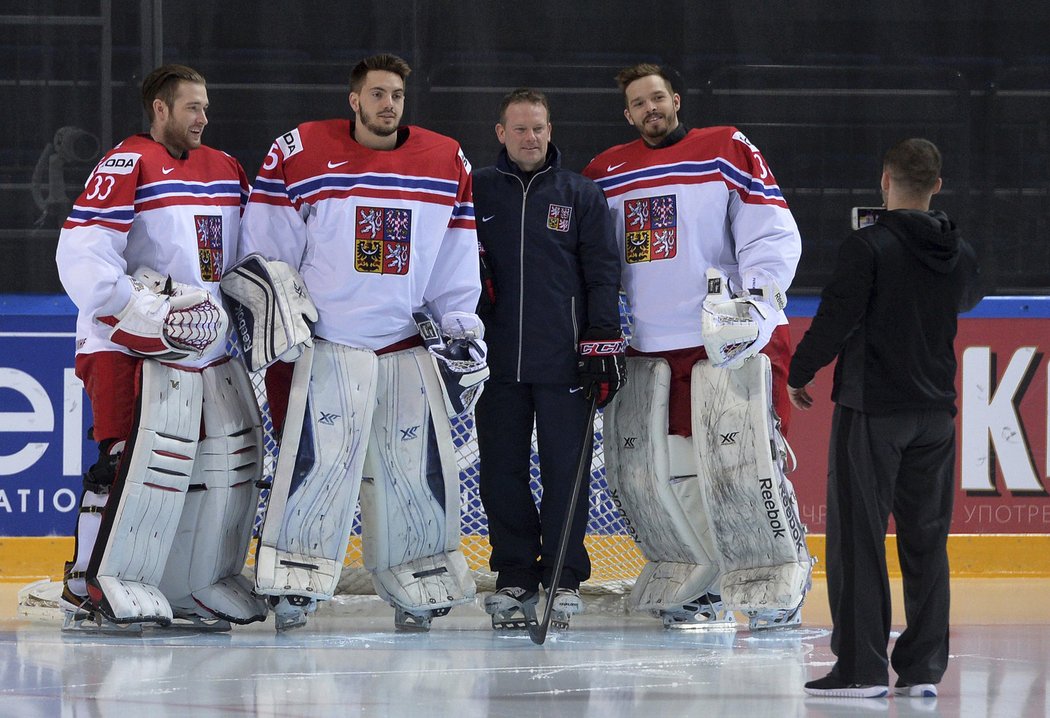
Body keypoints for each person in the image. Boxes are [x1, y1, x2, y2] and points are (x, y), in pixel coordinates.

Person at [237, 53, 486, 632]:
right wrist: (281, 325)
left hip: (404, 346)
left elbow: (454, 258)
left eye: (396, 94)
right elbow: (268, 248)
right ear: (354, 99)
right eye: (376, 94)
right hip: (324, 345)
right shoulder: (299, 151)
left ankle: (416, 576)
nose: (388, 104)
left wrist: (459, 329)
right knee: (315, 470)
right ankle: (294, 580)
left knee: (410, 472)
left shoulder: (446, 158)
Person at [582, 63, 809, 630]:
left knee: (744, 466)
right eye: (638, 103)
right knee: (668, 476)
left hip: (727, 341)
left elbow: (771, 230)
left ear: (676, 99)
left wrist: (753, 306)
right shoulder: (605, 172)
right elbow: (596, 261)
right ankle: (701, 583)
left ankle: (774, 586)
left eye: (657, 97)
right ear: (627, 113)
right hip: (651, 348)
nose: (650, 108)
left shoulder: (725, 148)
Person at [55, 64, 267, 629]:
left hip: (205, 348)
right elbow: (82, 253)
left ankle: (191, 582)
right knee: (126, 462)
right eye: (192, 107)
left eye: (205, 107)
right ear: (160, 109)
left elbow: (245, 251)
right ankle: (90, 584)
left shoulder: (224, 167)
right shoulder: (128, 163)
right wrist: (140, 315)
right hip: (126, 347)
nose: (203, 117)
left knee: (217, 462)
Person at [792, 138, 981, 699]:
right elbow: (965, 301)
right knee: (927, 542)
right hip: (935, 415)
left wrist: (800, 371)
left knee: (858, 539)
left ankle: (862, 668)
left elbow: (835, 319)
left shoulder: (868, 246)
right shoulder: (960, 252)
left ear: (885, 180)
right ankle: (923, 671)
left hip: (875, 411)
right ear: (937, 185)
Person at [471, 88, 624, 630]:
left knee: (567, 473)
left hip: (565, 364)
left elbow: (603, 272)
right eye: (519, 129)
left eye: (538, 128)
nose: (530, 138)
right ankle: (514, 574)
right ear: (501, 133)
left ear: (550, 129)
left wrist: (602, 342)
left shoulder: (580, 194)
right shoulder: (477, 190)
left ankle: (563, 577)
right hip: (495, 365)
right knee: (501, 473)